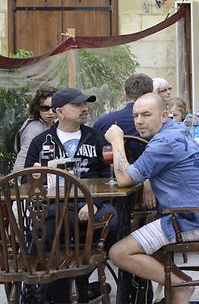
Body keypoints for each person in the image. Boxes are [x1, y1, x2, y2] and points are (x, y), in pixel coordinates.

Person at [106, 93, 199, 304]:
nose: (139, 121)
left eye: (146, 115)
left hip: (191, 220)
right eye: (136, 115)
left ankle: (179, 286)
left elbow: (123, 178)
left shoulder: (164, 142)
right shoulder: (176, 131)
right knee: (146, 243)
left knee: (118, 252)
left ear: (163, 115)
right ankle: (180, 284)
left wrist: (117, 142)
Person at [24, 88, 118, 229]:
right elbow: (25, 182)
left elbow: (108, 177)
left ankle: (101, 252)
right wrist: (36, 178)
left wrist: (94, 203)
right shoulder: (40, 142)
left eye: (85, 104)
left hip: (92, 201)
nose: (84, 108)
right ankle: (54, 252)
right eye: (77, 105)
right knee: (47, 223)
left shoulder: (97, 138)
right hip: (55, 205)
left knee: (111, 218)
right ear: (60, 112)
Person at [95, 73, 155, 160]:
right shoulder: (158, 123)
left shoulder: (103, 122)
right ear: (151, 95)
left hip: (107, 172)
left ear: (125, 94)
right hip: (150, 171)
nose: (138, 120)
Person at [13, 86, 57, 173]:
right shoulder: (33, 129)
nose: (50, 112)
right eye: (45, 108)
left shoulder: (55, 123)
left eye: (54, 108)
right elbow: (22, 162)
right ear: (37, 108)